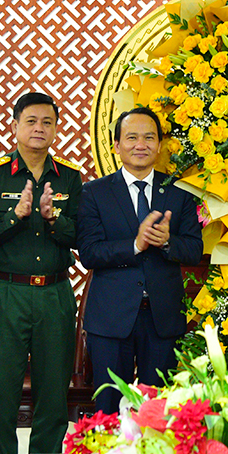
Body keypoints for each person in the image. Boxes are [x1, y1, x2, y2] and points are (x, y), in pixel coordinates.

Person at [0, 91, 82, 454]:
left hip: (55, 293)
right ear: (15, 125)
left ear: (56, 128)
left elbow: (81, 237)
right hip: (5, 293)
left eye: (48, 122)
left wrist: (56, 219)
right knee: (0, 393)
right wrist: (14, 216)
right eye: (31, 121)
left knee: (53, 395)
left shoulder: (71, 179)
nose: (39, 129)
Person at [76, 107, 203, 414]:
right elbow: (90, 252)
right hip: (111, 318)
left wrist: (167, 242)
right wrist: (135, 244)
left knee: (160, 412)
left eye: (149, 137)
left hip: (162, 318)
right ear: (116, 145)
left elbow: (194, 250)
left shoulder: (179, 192)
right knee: (107, 411)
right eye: (131, 137)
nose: (140, 145)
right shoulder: (93, 193)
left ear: (160, 145)